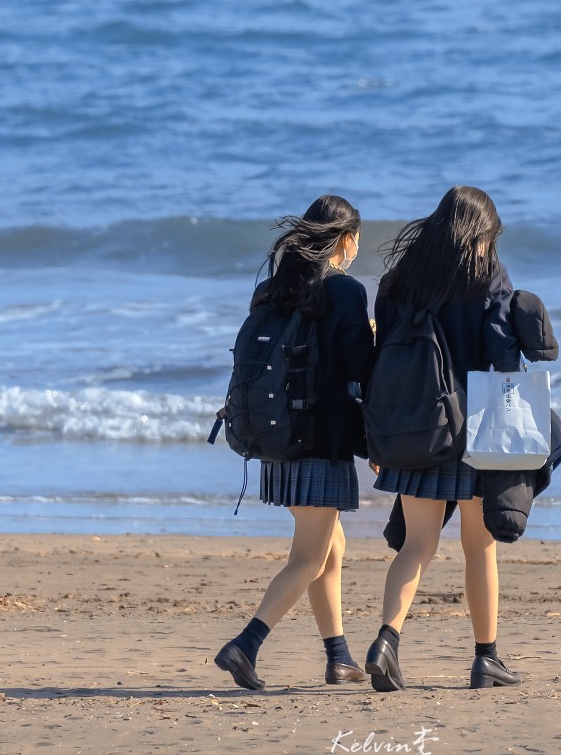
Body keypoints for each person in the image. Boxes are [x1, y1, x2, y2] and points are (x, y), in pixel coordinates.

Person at [365, 185, 523, 691]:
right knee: (480, 547)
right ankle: (486, 659)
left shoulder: (398, 281)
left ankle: (386, 641)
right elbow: (502, 354)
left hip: (415, 427)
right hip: (476, 428)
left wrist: (378, 437)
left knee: (416, 545)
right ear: (480, 233)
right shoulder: (487, 277)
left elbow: (381, 355)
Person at [214, 194, 375, 691]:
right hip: (319, 442)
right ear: (346, 241)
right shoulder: (345, 292)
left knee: (329, 548)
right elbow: (359, 367)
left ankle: (339, 657)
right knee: (308, 557)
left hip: (276, 439)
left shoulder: (273, 289)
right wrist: (371, 332)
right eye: (355, 243)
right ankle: (246, 644)